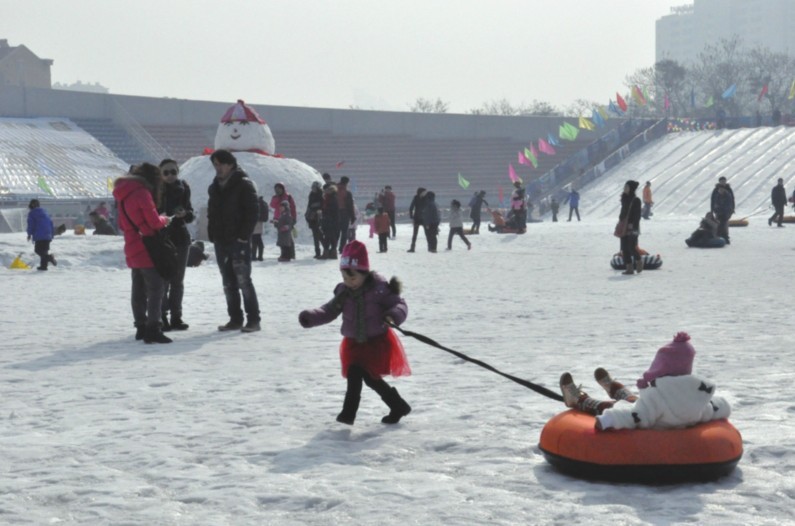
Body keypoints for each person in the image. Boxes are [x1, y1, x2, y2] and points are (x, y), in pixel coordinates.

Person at [298, 240, 411, 425]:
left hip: (375, 343)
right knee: (369, 379)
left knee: (359, 375)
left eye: (352, 278)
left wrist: (392, 316)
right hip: (353, 344)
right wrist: (311, 317)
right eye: (344, 278)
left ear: (364, 273)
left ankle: (348, 414)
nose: (349, 282)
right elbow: (329, 310)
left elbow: (399, 304)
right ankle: (398, 405)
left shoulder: (379, 289)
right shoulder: (344, 292)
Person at [558, 332, 731, 431]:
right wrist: (723, 405)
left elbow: (636, 416)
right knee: (636, 401)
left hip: (652, 424)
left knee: (613, 407)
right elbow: (714, 408)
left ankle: (580, 400)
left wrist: (608, 420)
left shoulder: (658, 396)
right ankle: (617, 389)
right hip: (655, 411)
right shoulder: (698, 396)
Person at [113, 163, 172, 344]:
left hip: (131, 244)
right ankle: (153, 328)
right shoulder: (142, 193)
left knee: (137, 289)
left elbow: (122, 224)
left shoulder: (123, 194)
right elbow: (154, 222)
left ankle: (140, 326)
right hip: (147, 246)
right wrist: (165, 220)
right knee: (156, 288)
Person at [207, 149, 261, 333]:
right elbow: (211, 212)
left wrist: (243, 235)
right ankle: (235, 318)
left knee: (243, 280)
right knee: (228, 282)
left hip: (238, 241)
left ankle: (253, 319)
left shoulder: (244, 184)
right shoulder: (215, 186)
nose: (218, 168)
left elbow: (253, 212)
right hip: (221, 240)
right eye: (215, 165)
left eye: (220, 164)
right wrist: (212, 232)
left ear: (230, 164)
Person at [158, 158, 195, 332]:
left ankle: (176, 317)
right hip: (163, 239)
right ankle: (162, 316)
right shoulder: (156, 190)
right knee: (164, 280)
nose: (170, 175)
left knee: (178, 281)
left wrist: (185, 214)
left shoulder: (184, 188)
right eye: (166, 172)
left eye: (173, 171)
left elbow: (191, 214)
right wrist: (162, 216)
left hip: (181, 237)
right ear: (160, 174)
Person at [618, 180, 642, 275]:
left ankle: (639, 260)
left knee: (631, 247)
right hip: (624, 226)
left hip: (632, 227)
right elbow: (622, 213)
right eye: (624, 187)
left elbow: (637, 216)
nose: (625, 189)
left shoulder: (636, 200)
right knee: (624, 248)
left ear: (631, 189)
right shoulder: (624, 199)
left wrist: (635, 229)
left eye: (627, 187)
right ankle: (629, 268)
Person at [26, 199, 56, 271]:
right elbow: (51, 223)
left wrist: (29, 234)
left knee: (38, 250)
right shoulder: (44, 212)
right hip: (47, 234)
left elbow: (31, 225)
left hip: (39, 235)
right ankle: (43, 266)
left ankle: (49, 258)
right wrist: (51, 234)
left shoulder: (32, 213)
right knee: (44, 251)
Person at [710, 176, 735, 244]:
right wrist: (712, 210)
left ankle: (725, 236)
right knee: (719, 222)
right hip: (718, 210)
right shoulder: (716, 190)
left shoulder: (728, 189)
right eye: (722, 181)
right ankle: (720, 236)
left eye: (724, 181)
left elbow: (732, 199)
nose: (723, 182)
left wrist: (732, 209)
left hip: (727, 210)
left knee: (725, 222)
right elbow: (713, 200)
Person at [305, 181, 324, 259]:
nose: (313, 189)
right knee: (315, 235)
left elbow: (322, 205)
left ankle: (325, 248)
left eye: (314, 187)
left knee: (318, 234)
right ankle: (317, 252)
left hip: (318, 217)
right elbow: (309, 205)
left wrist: (317, 208)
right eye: (312, 187)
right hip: (312, 217)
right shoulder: (311, 195)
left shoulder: (321, 195)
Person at [321, 183, 340, 259]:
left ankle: (327, 253)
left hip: (331, 220)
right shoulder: (329, 197)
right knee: (331, 237)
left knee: (328, 237)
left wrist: (325, 212)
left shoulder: (331, 198)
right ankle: (332, 253)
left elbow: (332, 210)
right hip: (330, 220)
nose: (325, 191)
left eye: (327, 190)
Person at [336, 176, 355, 252]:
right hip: (344, 213)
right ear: (347, 183)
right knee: (344, 232)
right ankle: (342, 248)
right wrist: (352, 216)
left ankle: (333, 247)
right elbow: (350, 205)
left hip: (335, 213)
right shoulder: (347, 193)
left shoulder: (334, 190)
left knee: (336, 231)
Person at [407, 187, 427, 252]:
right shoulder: (416, 198)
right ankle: (412, 248)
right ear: (421, 192)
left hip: (424, 218)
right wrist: (411, 216)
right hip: (417, 218)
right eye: (424, 192)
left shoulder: (426, 198)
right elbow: (411, 207)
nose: (425, 193)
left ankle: (430, 247)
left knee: (427, 234)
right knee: (415, 234)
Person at [252, 195, 269, 261]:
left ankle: (254, 256)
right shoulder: (261, 203)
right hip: (259, 223)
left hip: (254, 223)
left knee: (255, 241)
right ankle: (260, 256)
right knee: (258, 240)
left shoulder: (254, 202)